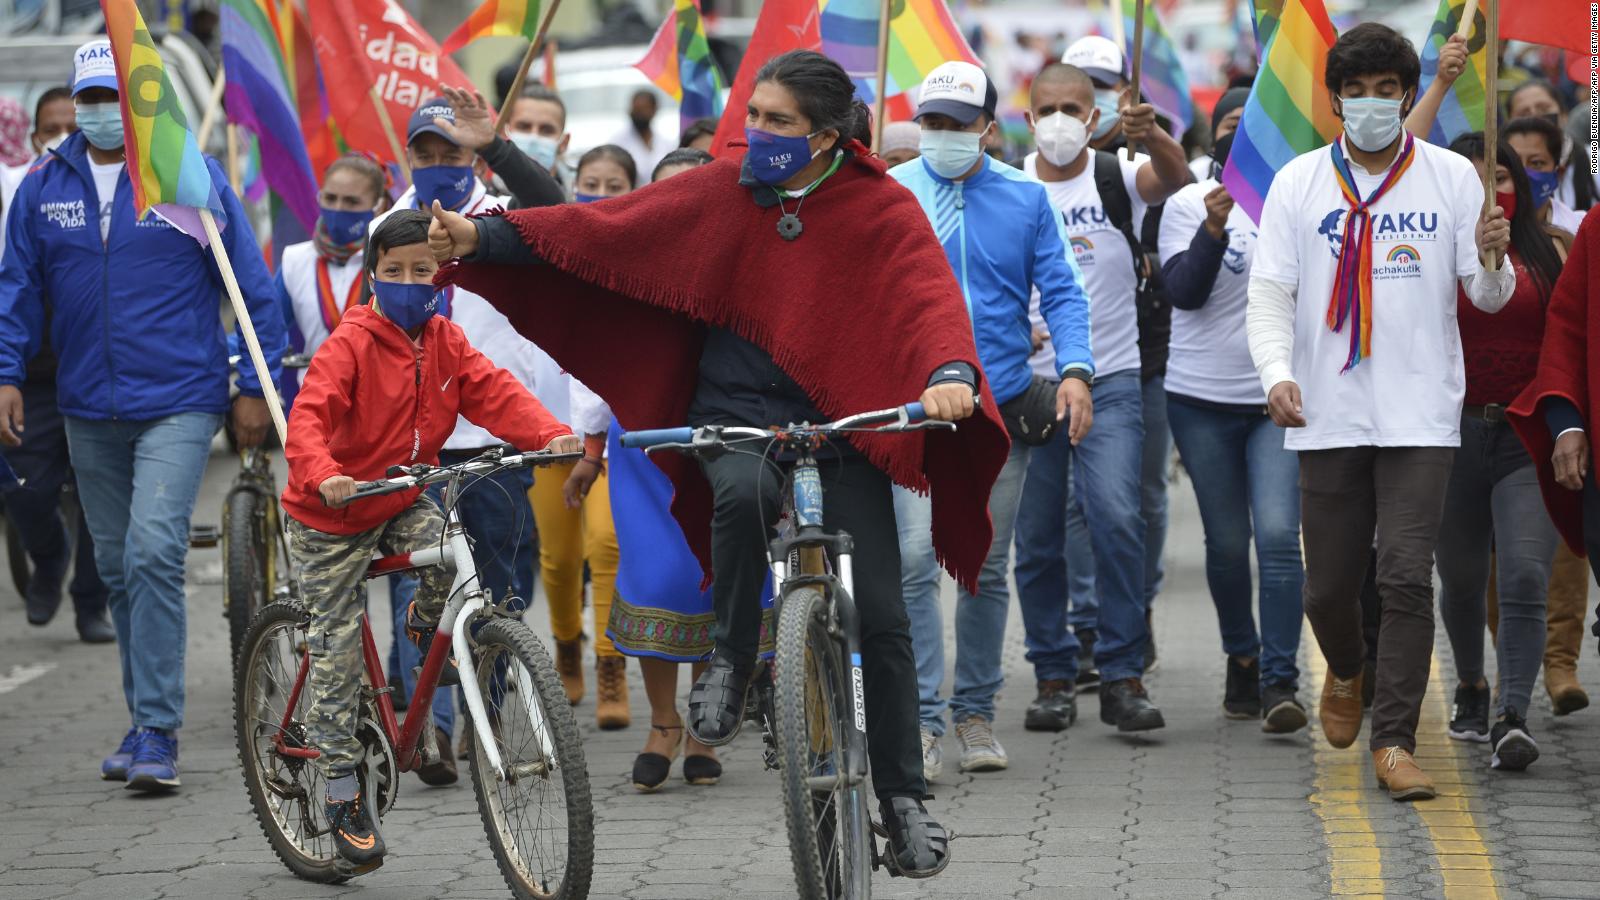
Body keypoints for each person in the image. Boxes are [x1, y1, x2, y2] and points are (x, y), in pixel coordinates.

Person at [429, 48, 1016, 878]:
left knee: (883, 618)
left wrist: (951, 375)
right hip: (734, 417)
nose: (759, 134)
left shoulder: (881, 206)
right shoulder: (721, 188)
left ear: (826, 136)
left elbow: (929, 301)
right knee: (737, 495)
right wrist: (482, 233)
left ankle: (903, 800)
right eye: (756, 118)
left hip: (843, 426)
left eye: (779, 123)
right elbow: (604, 229)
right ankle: (732, 660)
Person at [0, 39, 287, 791]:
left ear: (136, 104)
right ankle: (139, 720)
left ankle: (159, 731)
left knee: (155, 552)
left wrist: (254, 379)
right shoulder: (41, 188)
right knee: (122, 569)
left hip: (180, 399)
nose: (98, 112)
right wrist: (3, 373)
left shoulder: (184, 179)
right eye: (86, 98)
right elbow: (18, 290)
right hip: (87, 406)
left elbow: (252, 286)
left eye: (111, 98)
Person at [1246, 23, 1514, 801]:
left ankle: (1394, 740)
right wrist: (1275, 373)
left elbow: (1485, 296)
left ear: (1405, 94)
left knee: (1403, 577)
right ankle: (1347, 666)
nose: (1370, 104)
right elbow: (1270, 294)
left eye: (1386, 91)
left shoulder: (1450, 179)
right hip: (1325, 411)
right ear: (1334, 100)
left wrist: (1494, 256)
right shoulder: (1299, 183)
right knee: (1328, 589)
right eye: (1355, 92)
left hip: (1421, 411)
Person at [281, 209, 578, 869]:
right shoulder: (350, 342)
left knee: (452, 551)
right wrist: (324, 473)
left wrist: (546, 432)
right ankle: (339, 788)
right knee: (335, 654)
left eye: (424, 271)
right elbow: (308, 416)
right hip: (333, 512)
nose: (410, 283)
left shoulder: (447, 339)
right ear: (371, 276)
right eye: (394, 272)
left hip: (400, 493)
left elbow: (496, 393)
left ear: (445, 278)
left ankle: (427, 627)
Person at [889, 61, 1094, 776]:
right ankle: (920, 718)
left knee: (982, 565)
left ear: (988, 127)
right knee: (915, 563)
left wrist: (1075, 371)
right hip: (912, 413)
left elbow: (1064, 294)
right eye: (932, 124)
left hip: (996, 409)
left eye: (957, 124)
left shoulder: (1026, 199)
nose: (942, 137)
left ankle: (974, 712)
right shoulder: (891, 195)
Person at [387, 89, 581, 763]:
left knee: (498, 592)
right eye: (426, 152)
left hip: (496, 445)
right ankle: (428, 723)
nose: (439, 163)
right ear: (407, 155)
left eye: (453, 152)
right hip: (415, 450)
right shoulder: (387, 227)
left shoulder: (503, 216)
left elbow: (564, 213)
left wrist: (498, 144)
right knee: (420, 587)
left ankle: (486, 711)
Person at [1010, 61, 1190, 736]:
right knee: (1037, 539)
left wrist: (1155, 135)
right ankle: (1054, 675)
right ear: (1028, 119)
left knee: (1117, 518)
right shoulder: (1009, 184)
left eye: (1073, 108)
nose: (1059, 119)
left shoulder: (1116, 176)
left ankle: (1122, 673)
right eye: (1046, 107)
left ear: (1094, 117)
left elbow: (1173, 180)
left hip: (1112, 380)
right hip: (1028, 387)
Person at [581, 144, 731, 791]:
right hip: (641, 447)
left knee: (715, 581)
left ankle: (703, 728)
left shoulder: (741, 265)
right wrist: (588, 451)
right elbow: (595, 361)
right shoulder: (623, 268)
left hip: (725, 441)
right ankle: (662, 723)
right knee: (655, 579)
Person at [1157, 95, 1306, 732]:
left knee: (1276, 537)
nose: (1243, 135)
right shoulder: (1189, 199)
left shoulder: (1300, 199)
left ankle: (1280, 679)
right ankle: (1240, 657)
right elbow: (1182, 294)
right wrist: (1212, 231)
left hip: (1276, 399)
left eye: (1259, 125)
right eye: (1230, 125)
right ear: (1214, 135)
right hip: (1200, 401)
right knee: (1225, 543)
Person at [1432, 132, 1565, 772]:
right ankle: (1471, 685)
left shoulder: (1553, 256)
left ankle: (1513, 713)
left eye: (1502, 178)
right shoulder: (1427, 253)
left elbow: (1569, 349)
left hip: (1524, 438)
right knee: (1458, 580)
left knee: (1522, 575)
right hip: (1449, 436)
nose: (1490, 191)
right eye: (1472, 177)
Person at [530, 143, 639, 727]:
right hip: (549, 434)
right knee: (560, 557)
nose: (600, 194)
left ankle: (610, 664)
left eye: (614, 184)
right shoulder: (550, 252)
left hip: (614, 437)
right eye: (590, 183)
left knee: (606, 545)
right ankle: (567, 644)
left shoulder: (639, 260)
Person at [1506, 80, 1597, 212]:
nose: (1535, 117)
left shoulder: (1594, 160)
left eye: (1544, 108)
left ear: (1564, 114)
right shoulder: (1504, 170)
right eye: (1524, 114)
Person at [1, 87, 75, 242]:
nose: (63, 137)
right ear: (34, 140)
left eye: (74, 129)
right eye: (50, 130)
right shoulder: (11, 184)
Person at [1504, 116, 1586, 236]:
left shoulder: (1580, 228)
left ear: (1559, 173)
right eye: (1514, 161)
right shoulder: (1481, 232)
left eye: (1536, 163)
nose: (1523, 173)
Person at [1062, 35, 1133, 152]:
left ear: (1127, 95)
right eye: (1081, 87)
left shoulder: (1149, 161)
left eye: (1101, 85)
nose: (1091, 94)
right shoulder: (1052, 160)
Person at [505, 84, 570, 187]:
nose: (533, 138)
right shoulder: (483, 197)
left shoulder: (579, 197)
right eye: (523, 127)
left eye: (546, 130)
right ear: (506, 133)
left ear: (564, 143)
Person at [609, 88, 670, 184]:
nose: (639, 114)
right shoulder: (618, 141)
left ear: (654, 110)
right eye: (636, 110)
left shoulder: (665, 142)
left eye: (644, 109)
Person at [1190, 87, 1247, 183]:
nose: (1240, 135)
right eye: (1233, 127)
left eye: (1250, 129)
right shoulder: (1195, 176)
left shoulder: (1279, 187)